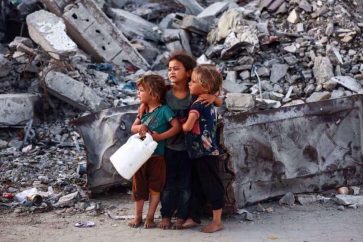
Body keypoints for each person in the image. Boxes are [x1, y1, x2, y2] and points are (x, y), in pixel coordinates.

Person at [155, 51, 223, 230]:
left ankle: (189, 216)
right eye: (169, 69)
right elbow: (151, 100)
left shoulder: (196, 95)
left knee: (191, 183)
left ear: (188, 73)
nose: (171, 72)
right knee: (170, 182)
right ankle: (169, 214)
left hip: (192, 149)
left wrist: (214, 97)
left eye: (176, 69)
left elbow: (217, 102)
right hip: (171, 145)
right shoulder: (165, 93)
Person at [129, 74, 181, 229]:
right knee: (138, 188)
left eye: (141, 91)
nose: (138, 94)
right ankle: (137, 216)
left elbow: (177, 127)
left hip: (157, 157)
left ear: (153, 94)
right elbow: (133, 128)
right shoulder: (143, 110)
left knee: (155, 188)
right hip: (139, 157)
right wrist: (141, 127)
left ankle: (150, 217)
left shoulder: (164, 110)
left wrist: (160, 137)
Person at [181, 64, 224, 233]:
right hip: (202, 152)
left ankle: (217, 221)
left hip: (203, 152)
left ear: (204, 87)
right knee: (199, 184)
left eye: (193, 81)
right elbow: (218, 100)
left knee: (211, 185)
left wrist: (180, 124)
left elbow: (188, 127)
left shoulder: (198, 105)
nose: (189, 84)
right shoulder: (208, 101)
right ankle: (195, 216)